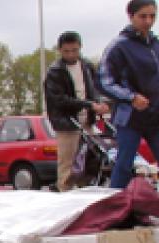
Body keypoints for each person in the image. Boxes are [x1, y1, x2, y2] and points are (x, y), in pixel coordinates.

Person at [98, 0, 159, 197]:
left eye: (152, 16)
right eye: (143, 16)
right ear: (131, 16)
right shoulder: (119, 46)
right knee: (124, 164)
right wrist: (130, 97)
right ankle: (115, 202)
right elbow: (104, 81)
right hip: (131, 118)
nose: (148, 21)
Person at [44, 31, 110, 192]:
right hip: (67, 124)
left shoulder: (87, 66)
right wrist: (88, 104)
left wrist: (101, 103)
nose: (71, 54)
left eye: (74, 50)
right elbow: (59, 100)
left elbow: (95, 89)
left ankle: (85, 192)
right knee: (67, 165)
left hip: (88, 122)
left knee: (89, 162)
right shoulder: (55, 71)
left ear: (80, 47)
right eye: (66, 51)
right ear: (60, 50)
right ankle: (65, 193)